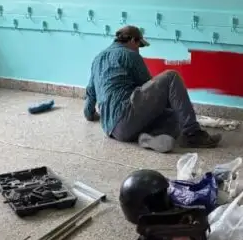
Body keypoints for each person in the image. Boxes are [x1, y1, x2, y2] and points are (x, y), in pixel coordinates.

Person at [83, 25, 221, 153]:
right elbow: (150, 87)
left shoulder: (97, 59)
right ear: (132, 40)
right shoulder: (130, 55)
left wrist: (90, 115)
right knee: (171, 77)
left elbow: (90, 94)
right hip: (126, 118)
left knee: (175, 114)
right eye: (139, 45)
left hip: (112, 130)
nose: (138, 50)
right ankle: (193, 134)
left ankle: (148, 137)